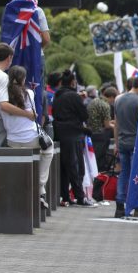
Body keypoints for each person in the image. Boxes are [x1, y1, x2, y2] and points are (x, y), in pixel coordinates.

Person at [0, 66, 51, 207]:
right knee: (48, 150)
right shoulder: (29, 93)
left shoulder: (0, 97)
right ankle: (40, 186)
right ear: (23, 79)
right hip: (32, 139)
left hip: (12, 141)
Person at [52, 70, 93, 207]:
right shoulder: (74, 96)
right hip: (73, 135)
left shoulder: (57, 95)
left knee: (64, 168)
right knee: (76, 167)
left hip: (59, 133)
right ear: (73, 82)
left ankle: (65, 196)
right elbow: (84, 115)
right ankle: (80, 197)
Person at [113, 75, 138, 218]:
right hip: (136, 144)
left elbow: (116, 124)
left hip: (122, 142)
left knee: (124, 174)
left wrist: (116, 143)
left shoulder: (118, 99)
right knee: (137, 175)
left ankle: (120, 205)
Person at [87, 86, 114, 172]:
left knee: (94, 159)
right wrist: (116, 126)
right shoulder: (106, 105)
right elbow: (107, 125)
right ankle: (100, 180)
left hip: (91, 133)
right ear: (111, 97)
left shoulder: (94, 101)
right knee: (100, 160)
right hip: (100, 135)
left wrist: (112, 122)